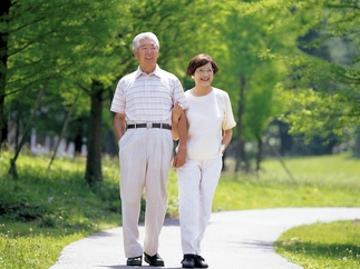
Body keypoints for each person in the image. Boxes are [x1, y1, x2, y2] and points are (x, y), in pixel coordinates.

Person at [110, 32, 188, 267]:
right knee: (130, 195)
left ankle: (151, 250)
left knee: (158, 196)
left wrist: (182, 146)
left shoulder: (171, 80)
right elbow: (118, 117)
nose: (150, 51)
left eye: (153, 47)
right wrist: (123, 141)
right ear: (136, 52)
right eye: (144, 47)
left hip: (162, 136)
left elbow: (181, 115)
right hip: (133, 136)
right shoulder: (125, 82)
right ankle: (133, 251)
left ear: (158, 51)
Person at [172, 54, 236, 268]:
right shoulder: (184, 98)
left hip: (212, 159)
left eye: (209, 70)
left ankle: (197, 251)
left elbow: (228, 129)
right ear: (192, 73)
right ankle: (188, 252)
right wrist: (175, 116)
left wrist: (222, 148)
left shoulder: (222, 97)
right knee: (189, 205)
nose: (205, 75)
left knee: (205, 207)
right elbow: (174, 134)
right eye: (200, 71)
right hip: (189, 159)